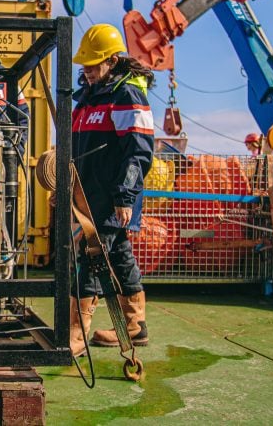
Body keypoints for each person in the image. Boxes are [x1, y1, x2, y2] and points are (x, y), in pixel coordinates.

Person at [69, 23, 155, 355]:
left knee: (91, 256)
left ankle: (77, 333)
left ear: (113, 60)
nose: (88, 71)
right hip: (88, 196)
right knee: (118, 253)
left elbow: (138, 150)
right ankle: (135, 327)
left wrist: (124, 197)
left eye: (94, 64)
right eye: (85, 65)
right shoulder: (89, 97)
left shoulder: (126, 94)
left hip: (110, 198)